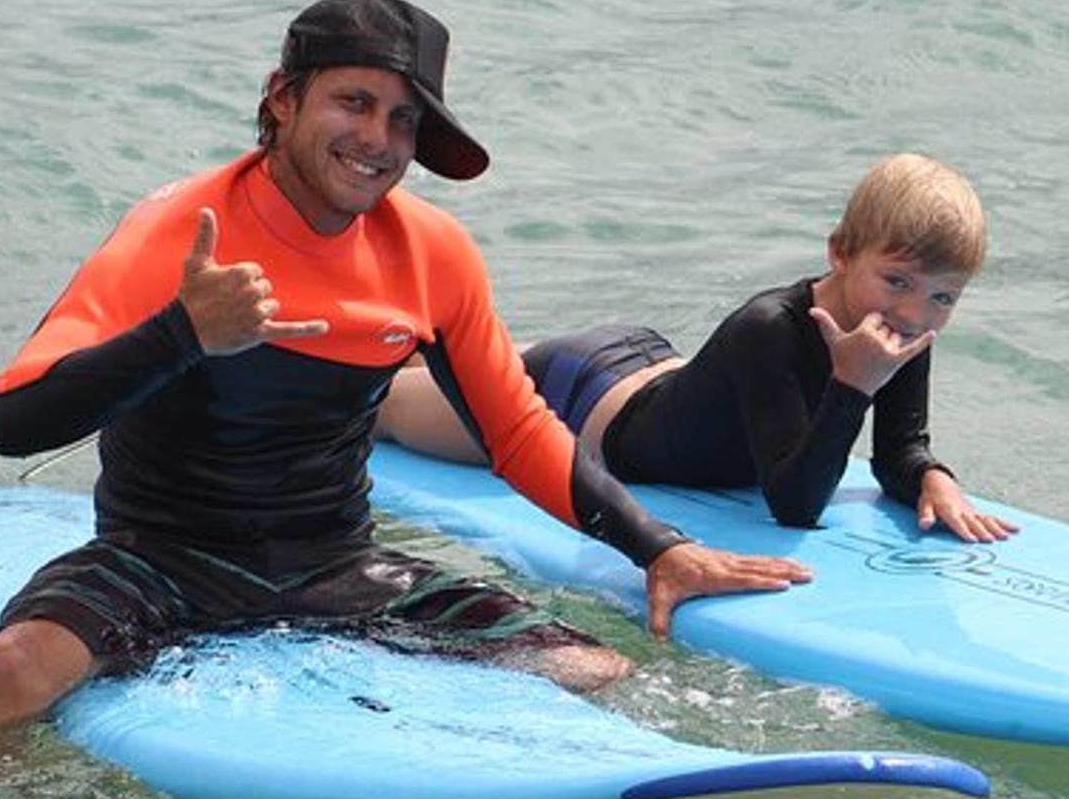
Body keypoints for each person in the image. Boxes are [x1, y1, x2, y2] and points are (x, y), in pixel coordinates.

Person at [0, 0, 811, 729]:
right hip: (157, 557)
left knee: (593, 671)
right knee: (9, 670)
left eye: (403, 119)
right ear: (282, 100)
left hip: (333, 565)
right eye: (354, 102)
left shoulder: (431, 253)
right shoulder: (179, 230)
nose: (379, 138)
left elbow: (515, 429)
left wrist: (657, 548)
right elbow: (16, 420)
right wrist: (182, 333)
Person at [378, 153, 1019, 542]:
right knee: (376, 404)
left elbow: (898, 450)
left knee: (433, 361)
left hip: (637, 362)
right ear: (841, 252)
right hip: (574, 403)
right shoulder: (769, 327)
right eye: (897, 281)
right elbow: (793, 505)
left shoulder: (900, 330)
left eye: (943, 297)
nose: (914, 312)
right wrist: (852, 386)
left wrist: (930, 477)